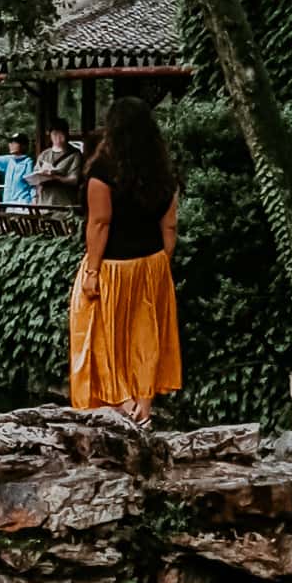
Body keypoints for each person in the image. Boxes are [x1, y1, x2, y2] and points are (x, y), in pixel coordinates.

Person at [69, 95, 182, 424]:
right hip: (152, 263)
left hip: (112, 266)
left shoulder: (103, 172)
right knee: (144, 337)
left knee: (98, 335)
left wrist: (92, 272)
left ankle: (120, 404)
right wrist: (160, 264)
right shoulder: (164, 173)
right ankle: (143, 409)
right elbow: (170, 226)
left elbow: (99, 223)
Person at [33, 120, 85, 209]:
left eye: (61, 134)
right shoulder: (44, 154)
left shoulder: (75, 154)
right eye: (54, 134)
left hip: (64, 204)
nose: (58, 137)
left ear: (67, 134)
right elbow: (35, 177)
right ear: (50, 135)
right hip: (44, 204)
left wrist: (55, 177)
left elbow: (74, 179)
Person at [0, 134, 36, 205]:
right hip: (8, 203)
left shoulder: (28, 162)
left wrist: (34, 199)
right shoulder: (8, 160)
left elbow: (32, 183)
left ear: (23, 146)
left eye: (15, 142)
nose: (11, 145)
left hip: (22, 203)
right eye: (10, 142)